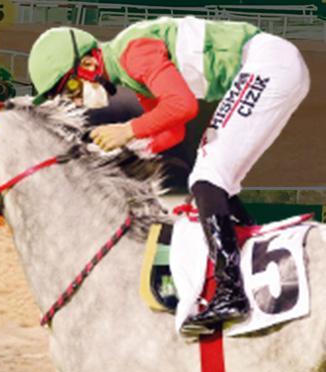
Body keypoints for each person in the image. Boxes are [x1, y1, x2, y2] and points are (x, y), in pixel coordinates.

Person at [26, 17, 310, 332]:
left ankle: (231, 292)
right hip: (270, 66)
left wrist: (127, 130)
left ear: (90, 63)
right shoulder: (130, 70)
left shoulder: (133, 53)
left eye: (71, 87)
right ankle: (245, 268)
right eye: (64, 94)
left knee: (208, 177)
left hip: (266, 65)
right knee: (212, 177)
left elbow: (182, 105)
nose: (73, 99)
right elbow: (173, 129)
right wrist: (129, 148)